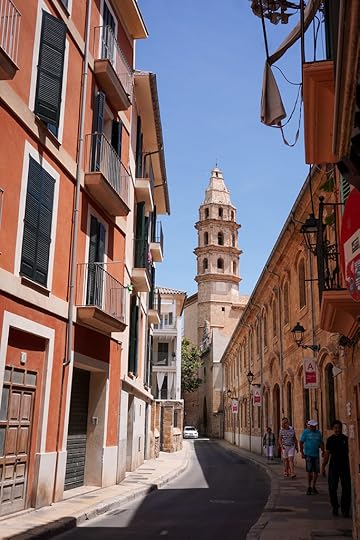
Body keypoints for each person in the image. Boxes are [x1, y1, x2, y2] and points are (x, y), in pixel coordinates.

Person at [321, 420, 351, 517]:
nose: (337, 430)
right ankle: (335, 506)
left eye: (339, 428)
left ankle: (345, 509)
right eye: (336, 428)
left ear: (341, 429)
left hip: (345, 466)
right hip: (334, 466)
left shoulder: (346, 439)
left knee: (346, 488)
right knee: (332, 487)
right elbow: (327, 453)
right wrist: (323, 466)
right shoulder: (330, 440)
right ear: (333, 429)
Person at [300, 419, 324, 495]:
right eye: (312, 426)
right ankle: (309, 486)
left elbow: (321, 442)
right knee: (309, 471)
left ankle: (314, 486)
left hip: (316, 454)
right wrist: (302, 452)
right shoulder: (305, 432)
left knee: (316, 471)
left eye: (315, 426)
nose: (314, 428)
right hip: (308, 455)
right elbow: (301, 442)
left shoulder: (318, 433)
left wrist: (323, 450)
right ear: (309, 426)